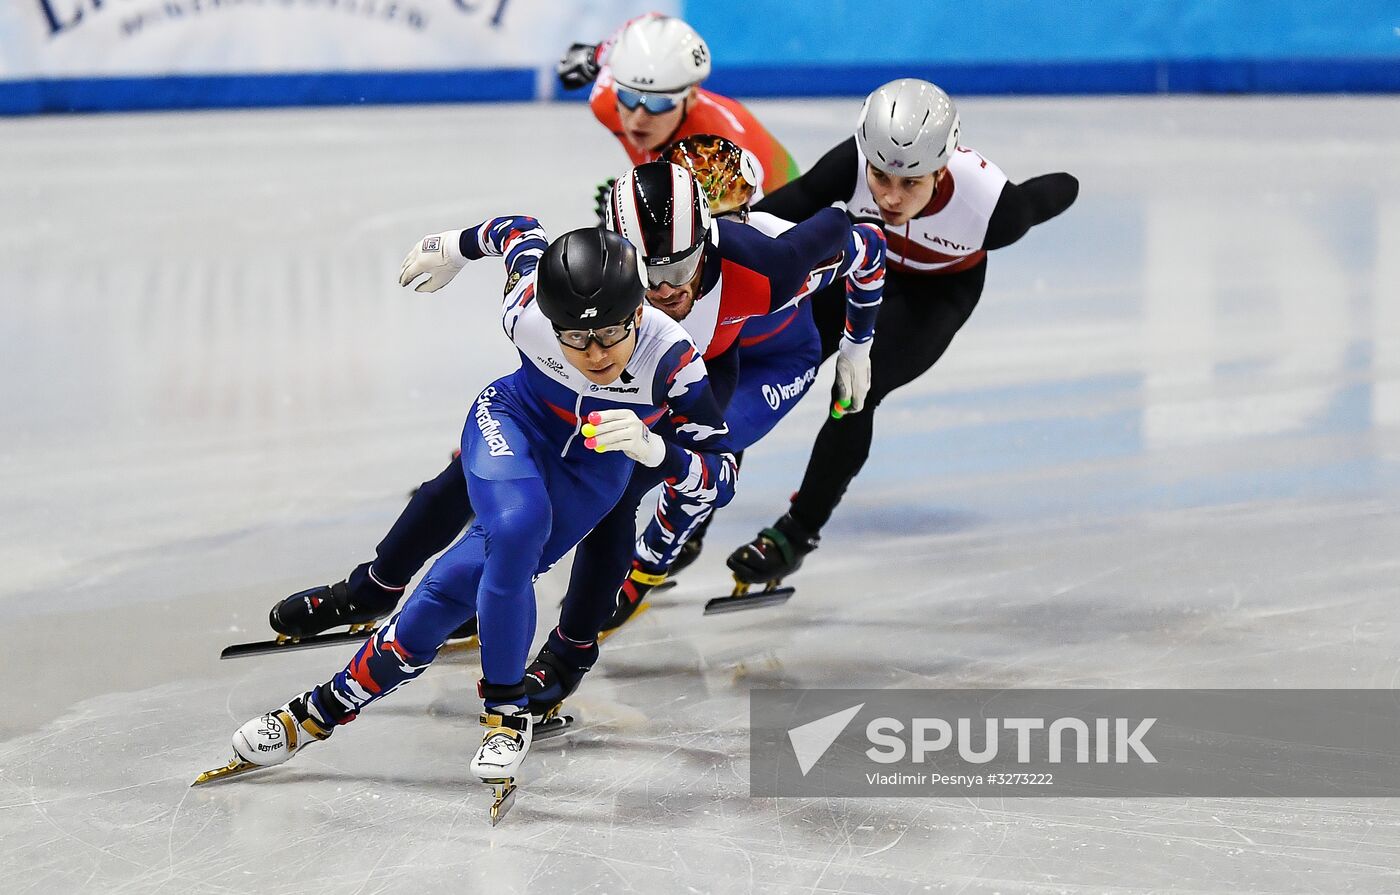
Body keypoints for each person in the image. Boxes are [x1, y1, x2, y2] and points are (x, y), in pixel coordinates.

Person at [197, 221, 737, 824]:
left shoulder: (674, 361)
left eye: (610, 334)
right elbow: (519, 234)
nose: (594, 355)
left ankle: (315, 713)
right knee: (517, 526)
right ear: (550, 324)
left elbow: (723, 476)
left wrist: (661, 452)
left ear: (637, 310)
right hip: (512, 421)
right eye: (575, 339)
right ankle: (505, 711)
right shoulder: (527, 308)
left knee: (449, 593)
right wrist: (450, 248)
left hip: (596, 468)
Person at [521, 159, 886, 712]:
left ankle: (649, 564)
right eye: (650, 271)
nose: (667, 289)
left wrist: (857, 345)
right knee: (604, 472)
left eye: (685, 265)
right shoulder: (617, 273)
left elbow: (863, 241)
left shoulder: (773, 265)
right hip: (708, 361)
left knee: (681, 466)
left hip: (774, 361)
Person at [724, 78, 1080, 586]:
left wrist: (1058, 187)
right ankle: (702, 497)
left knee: (855, 393)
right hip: (857, 272)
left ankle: (796, 533)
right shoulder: (848, 166)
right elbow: (770, 218)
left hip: (933, 296)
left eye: (910, 182)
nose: (891, 196)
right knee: (755, 354)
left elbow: (1057, 189)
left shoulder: (991, 208)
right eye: (881, 176)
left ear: (941, 168)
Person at [556, 13, 798, 198]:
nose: (638, 118)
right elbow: (651, 21)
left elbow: (745, 242)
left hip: (779, 206)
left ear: (691, 96)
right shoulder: (606, 102)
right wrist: (598, 53)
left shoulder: (717, 151)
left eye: (658, 103)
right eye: (629, 98)